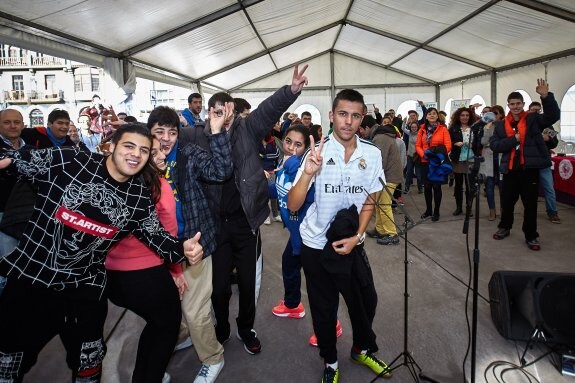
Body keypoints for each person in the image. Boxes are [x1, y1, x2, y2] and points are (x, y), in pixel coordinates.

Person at [0, 124, 203, 382]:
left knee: (89, 364)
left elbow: (158, 238)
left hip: (85, 289)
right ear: (111, 146)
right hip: (32, 280)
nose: (136, 155)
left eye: (144, 150)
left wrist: (182, 248)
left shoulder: (137, 196)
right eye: (129, 146)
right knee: (8, 365)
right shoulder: (69, 161)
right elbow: (13, 159)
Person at [185, 64, 308, 356]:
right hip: (215, 224)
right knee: (219, 287)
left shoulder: (247, 129)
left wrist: (290, 90)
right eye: (217, 112)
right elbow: (165, 139)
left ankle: (245, 328)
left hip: (246, 221)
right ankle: (223, 328)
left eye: (227, 112)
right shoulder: (196, 136)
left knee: (249, 284)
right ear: (208, 113)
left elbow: (267, 110)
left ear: (234, 112)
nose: (223, 118)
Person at [288, 89, 390, 383]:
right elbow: (294, 206)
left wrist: (358, 235)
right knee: (323, 308)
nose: (348, 121)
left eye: (355, 116)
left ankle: (360, 349)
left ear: (362, 119)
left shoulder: (371, 154)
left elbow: (371, 198)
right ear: (331, 116)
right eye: (342, 114)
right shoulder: (317, 152)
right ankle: (330, 362)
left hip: (351, 242)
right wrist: (308, 173)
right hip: (316, 245)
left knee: (366, 301)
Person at [148, 105, 233, 382]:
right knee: (170, 307)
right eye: (159, 131)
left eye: (172, 132)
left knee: (196, 310)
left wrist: (218, 131)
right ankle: (182, 336)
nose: (166, 138)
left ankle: (213, 358)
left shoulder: (187, 154)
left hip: (195, 245)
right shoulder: (140, 161)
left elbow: (221, 171)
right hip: (159, 250)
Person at [105, 137, 184, 383]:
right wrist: (176, 271)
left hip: (112, 275)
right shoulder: (159, 186)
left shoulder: (119, 186)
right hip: (147, 275)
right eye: (155, 152)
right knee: (168, 327)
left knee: (156, 325)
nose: (163, 155)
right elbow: (169, 232)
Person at [271, 125, 343, 345]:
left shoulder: (302, 171)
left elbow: (296, 174)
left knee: (320, 285)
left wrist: (293, 164)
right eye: (288, 141)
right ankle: (293, 305)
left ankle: (331, 326)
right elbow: (277, 189)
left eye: (298, 145)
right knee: (289, 265)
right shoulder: (283, 169)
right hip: (296, 235)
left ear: (307, 149)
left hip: (313, 238)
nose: (292, 148)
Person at [490, 79, 560, 250]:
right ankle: (504, 227)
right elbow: (495, 146)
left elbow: (552, 117)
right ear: (508, 105)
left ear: (523, 104)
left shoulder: (533, 119)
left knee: (530, 205)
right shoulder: (500, 126)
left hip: (529, 169)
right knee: (507, 203)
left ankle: (531, 235)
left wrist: (546, 96)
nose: (515, 106)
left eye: (518, 103)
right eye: (512, 104)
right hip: (510, 169)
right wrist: (513, 139)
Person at [0, 109, 26, 293]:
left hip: (24, 216)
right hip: (1, 214)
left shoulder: (30, 150)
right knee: (4, 269)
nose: (13, 126)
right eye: (7, 122)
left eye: (17, 122)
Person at [367, 121, 403, 245]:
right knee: (379, 204)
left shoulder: (380, 138)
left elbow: (380, 161)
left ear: (367, 127)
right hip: (387, 176)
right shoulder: (381, 135)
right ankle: (380, 229)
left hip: (388, 177)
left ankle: (392, 234)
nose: (361, 132)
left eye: (361, 129)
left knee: (384, 206)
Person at [416, 107, 452, 222]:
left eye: (434, 114)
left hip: (437, 163)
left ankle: (436, 211)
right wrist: (424, 155)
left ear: (437, 116)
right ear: (426, 116)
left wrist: (436, 154)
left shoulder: (443, 129)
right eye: (429, 114)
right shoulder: (421, 129)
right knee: (427, 187)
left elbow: (448, 145)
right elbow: (418, 145)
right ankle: (428, 210)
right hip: (425, 162)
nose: (432, 115)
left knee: (437, 187)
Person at [528, 101, 561, 224]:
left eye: (538, 110)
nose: (536, 112)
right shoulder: (525, 124)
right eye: (533, 110)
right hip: (529, 162)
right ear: (529, 110)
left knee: (549, 188)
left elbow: (555, 143)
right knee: (529, 190)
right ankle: (529, 212)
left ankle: (552, 212)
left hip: (544, 162)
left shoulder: (548, 126)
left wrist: (549, 139)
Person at [448, 107, 478, 216]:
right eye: (462, 115)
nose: (465, 117)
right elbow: (448, 141)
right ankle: (459, 207)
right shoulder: (453, 128)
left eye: (467, 115)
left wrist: (473, 145)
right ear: (458, 117)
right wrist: (455, 143)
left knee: (470, 186)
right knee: (458, 185)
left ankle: (469, 208)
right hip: (458, 159)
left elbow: (479, 143)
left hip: (471, 159)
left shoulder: (474, 128)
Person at [480, 105, 504, 221]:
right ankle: (492, 211)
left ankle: (504, 211)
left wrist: (493, 144)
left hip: (500, 158)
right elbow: (483, 142)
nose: (493, 115)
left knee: (503, 187)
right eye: (491, 113)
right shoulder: (487, 126)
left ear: (501, 114)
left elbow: (505, 142)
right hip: (489, 158)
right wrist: (487, 129)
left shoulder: (505, 126)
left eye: (496, 112)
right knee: (489, 186)